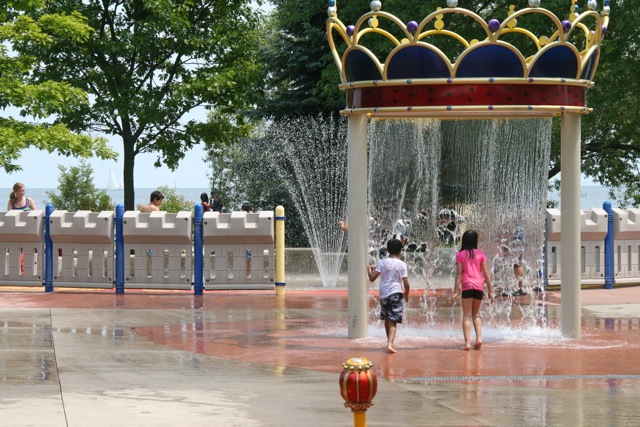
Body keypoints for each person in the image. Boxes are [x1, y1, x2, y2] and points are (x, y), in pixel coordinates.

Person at [451, 230, 494, 351]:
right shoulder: (481, 254)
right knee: (476, 314)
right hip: (479, 286)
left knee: (466, 316)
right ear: (475, 241)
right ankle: (479, 339)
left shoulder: (460, 255)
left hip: (467, 286)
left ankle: (467, 343)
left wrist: (455, 292)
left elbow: (459, 274)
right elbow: (486, 274)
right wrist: (490, 291)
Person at [367, 238, 410, 354]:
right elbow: (406, 282)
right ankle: (390, 344)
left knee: (387, 318)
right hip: (396, 293)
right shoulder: (402, 264)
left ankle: (389, 342)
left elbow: (372, 278)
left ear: (388, 250)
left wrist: (369, 269)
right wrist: (407, 293)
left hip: (384, 294)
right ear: (400, 251)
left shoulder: (382, 262)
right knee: (393, 320)